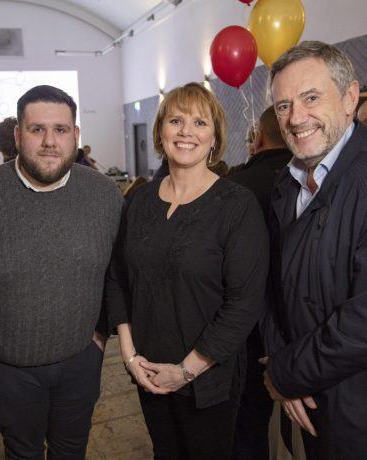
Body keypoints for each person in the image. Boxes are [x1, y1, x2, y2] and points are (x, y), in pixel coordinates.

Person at [0, 85, 122, 460]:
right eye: (36, 129)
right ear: (18, 135)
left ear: (75, 135)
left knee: (71, 451)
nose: (49, 141)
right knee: (22, 453)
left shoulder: (105, 195)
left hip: (81, 362)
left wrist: (99, 336)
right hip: (8, 373)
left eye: (60, 129)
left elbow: (117, 273)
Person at [107, 82, 269, 459]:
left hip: (207, 379)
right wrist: (130, 358)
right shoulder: (140, 200)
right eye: (176, 120)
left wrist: (185, 371)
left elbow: (244, 304)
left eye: (199, 122)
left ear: (215, 138)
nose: (186, 131)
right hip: (148, 371)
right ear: (160, 131)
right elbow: (118, 280)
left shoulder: (236, 205)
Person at [262, 41, 366, 460]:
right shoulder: (285, 185)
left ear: (349, 97)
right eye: (283, 106)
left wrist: (286, 374)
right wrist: (279, 363)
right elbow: (271, 287)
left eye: (310, 98)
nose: (296, 118)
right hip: (310, 404)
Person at [229, 106, 292, 460]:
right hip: (301, 329)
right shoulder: (312, 179)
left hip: (246, 330)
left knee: (247, 423)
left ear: (259, 138)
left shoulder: (235, 187)